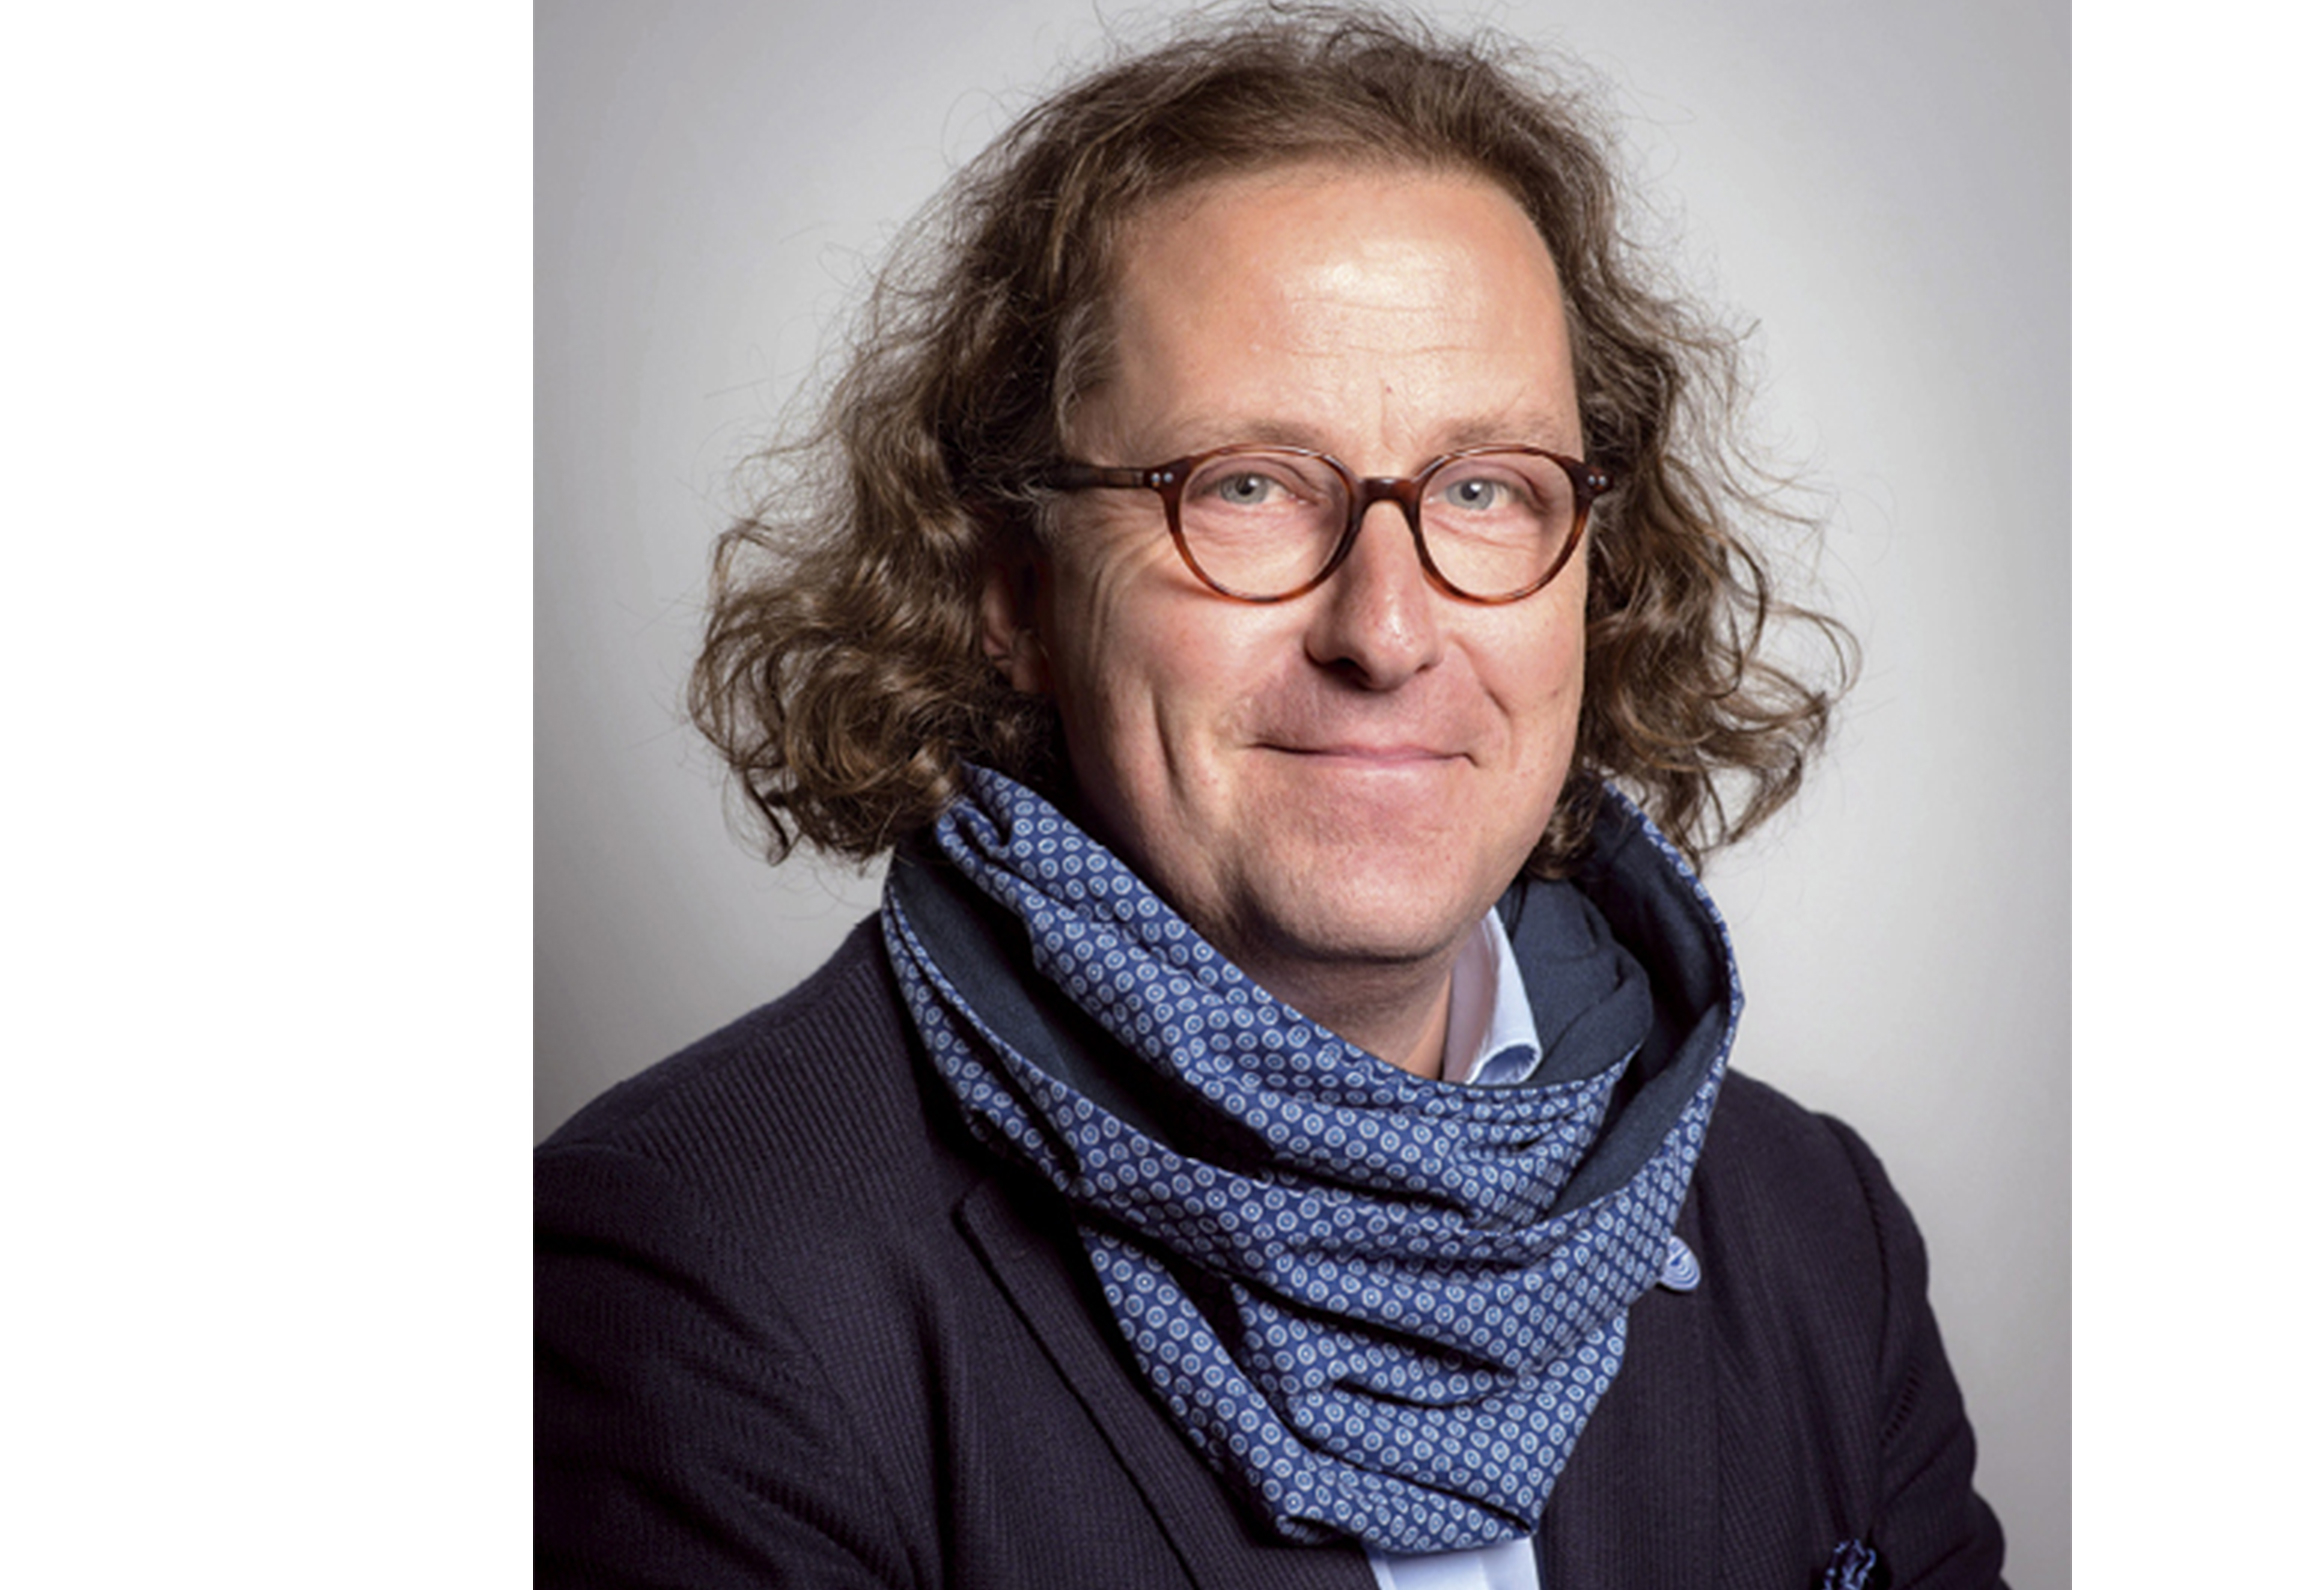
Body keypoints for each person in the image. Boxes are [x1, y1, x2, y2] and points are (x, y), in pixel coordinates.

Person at [536, 8, 2006, 1586]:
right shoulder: (699, 1270)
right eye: (1245, 485)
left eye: (1486, 488)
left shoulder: (1817, 1233)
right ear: (1017, 589)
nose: (1387, 629)